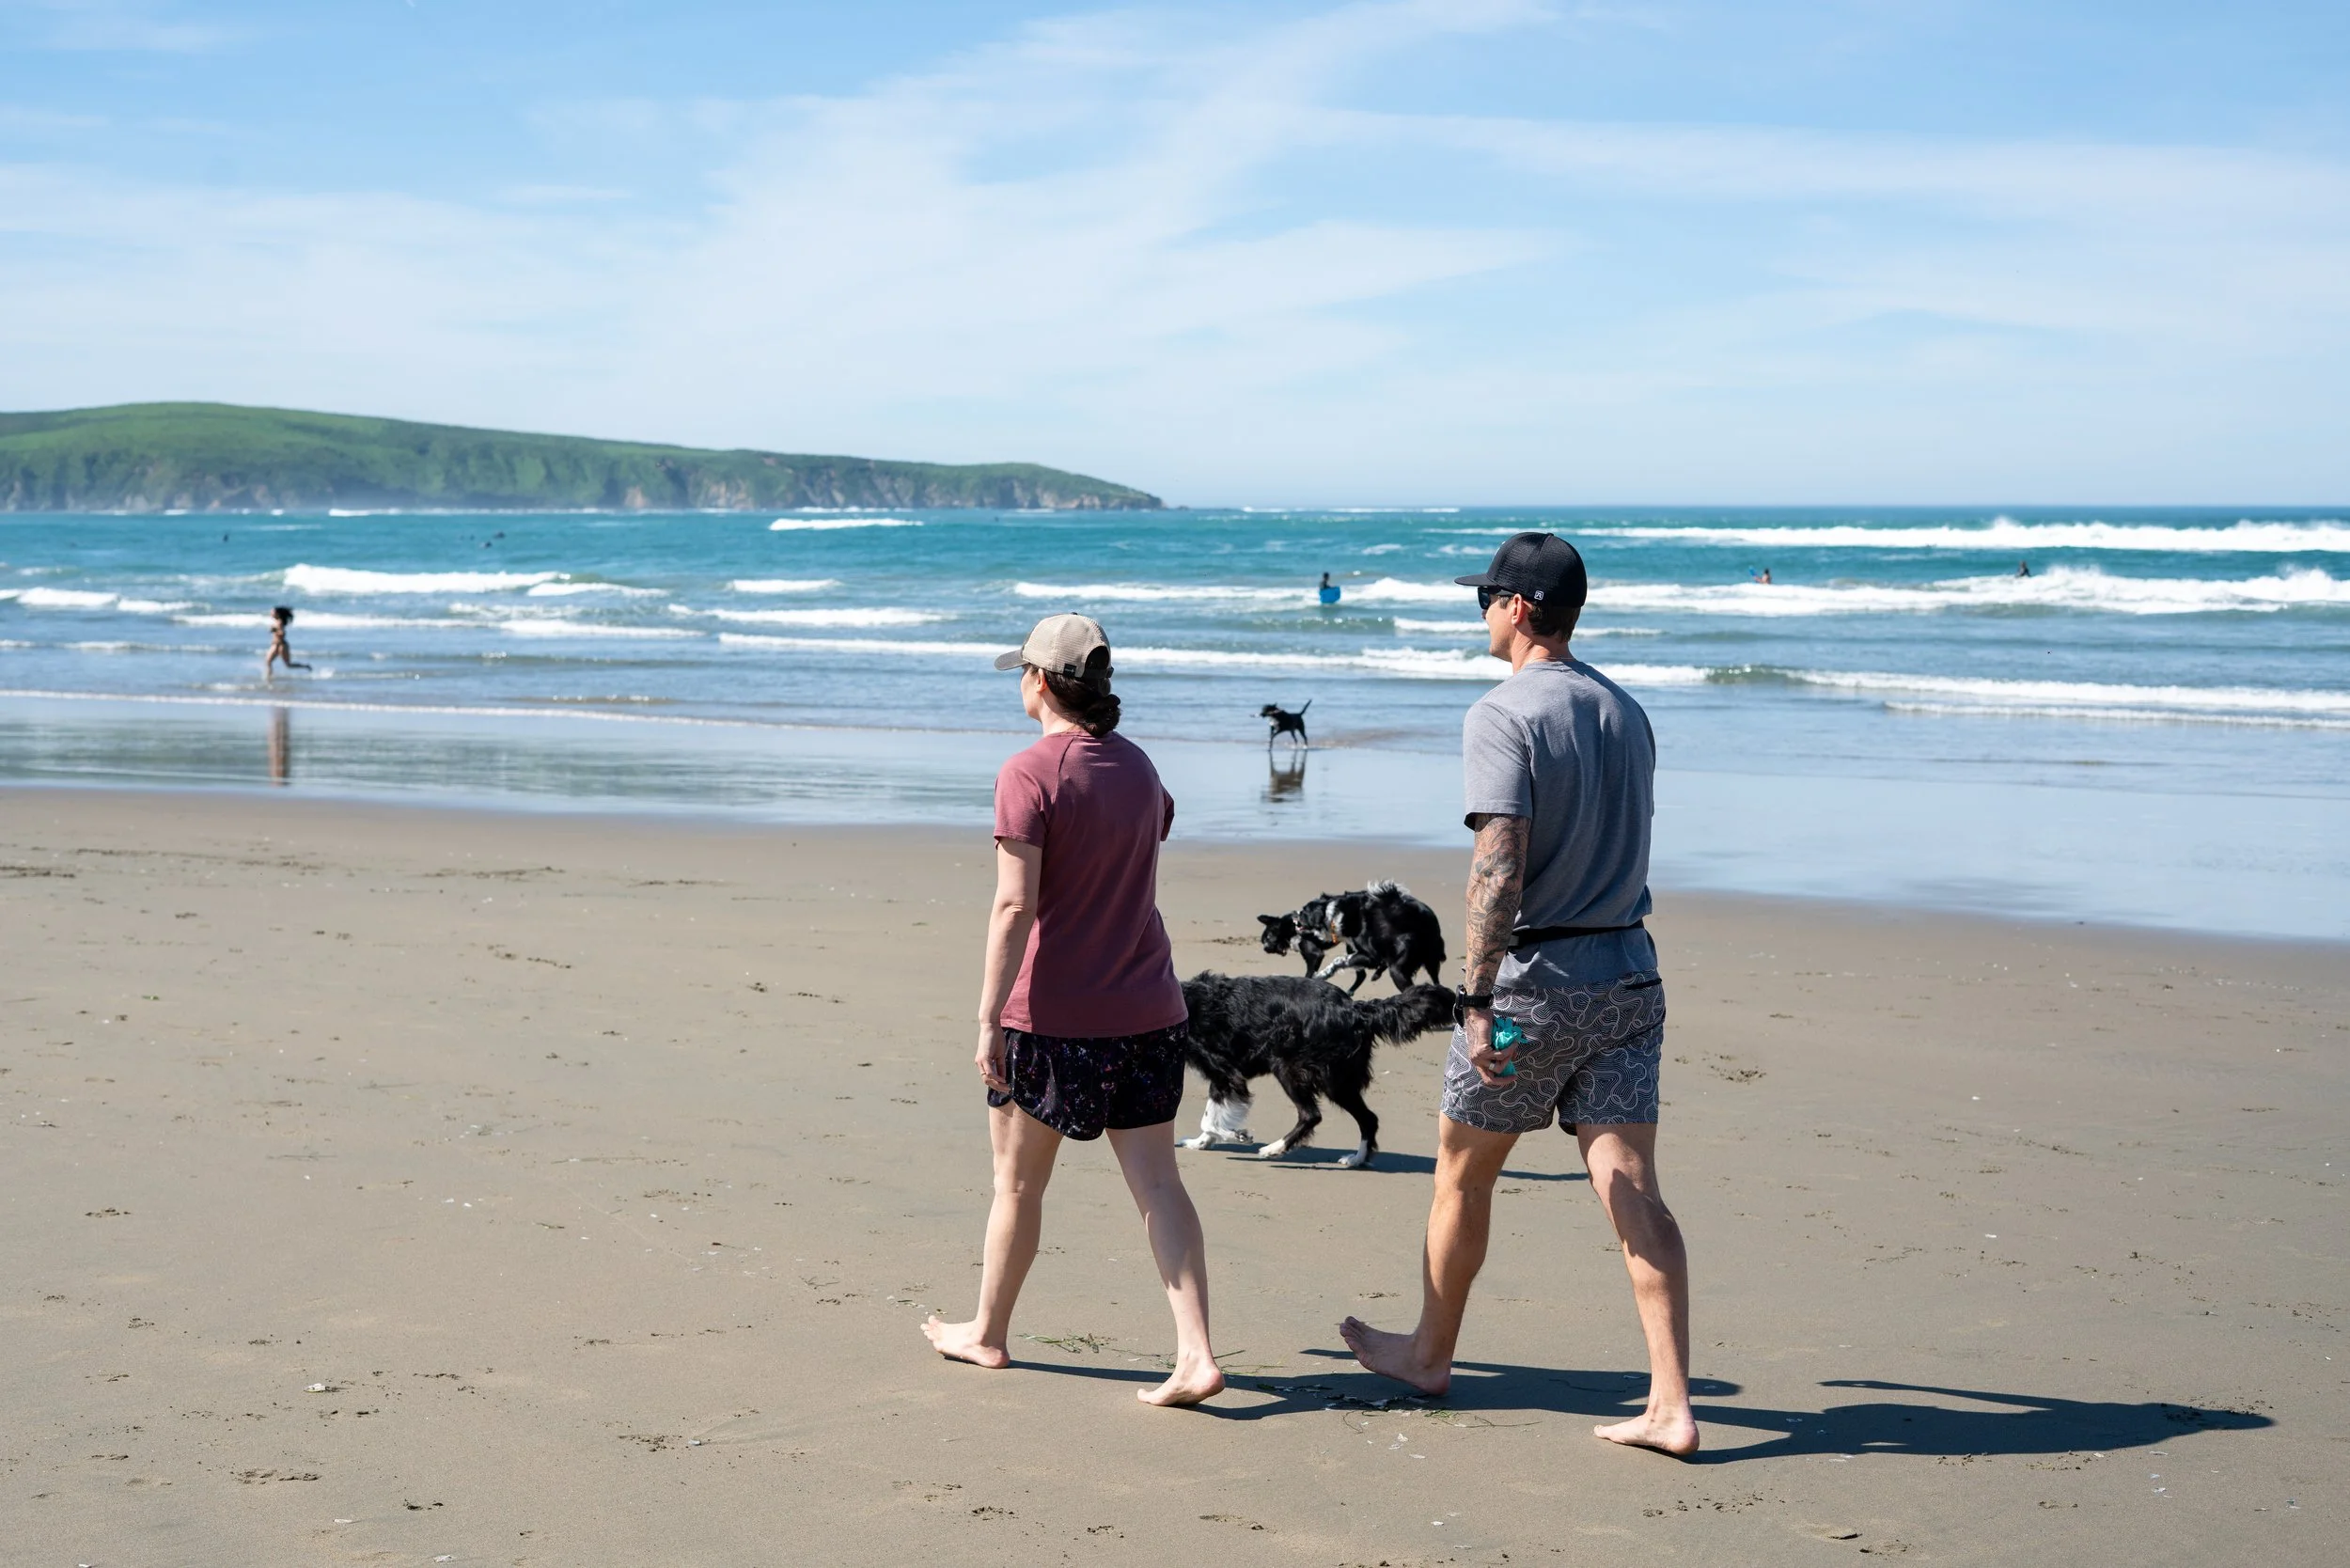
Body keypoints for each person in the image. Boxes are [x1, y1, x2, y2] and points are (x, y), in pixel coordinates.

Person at [1340, 530, 1697, 1457]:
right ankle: (1670, 1402)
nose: (1482, 614)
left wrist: (1475, 993)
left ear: (1520, 610)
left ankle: (1428, 1354)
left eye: (1486, 598)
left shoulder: (1503, 713)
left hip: (1536, 983)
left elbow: (1496, 866)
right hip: (1627, 975)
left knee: (1462, 1173)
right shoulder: (1627, 711)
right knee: (1631, 1188)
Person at [922, 613, 1224, 1407]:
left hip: (1052, 1018)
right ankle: (1195, 1352)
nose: (1018, 683)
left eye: (1022, 671)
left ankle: (987, 1334)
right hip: (1150, 1009)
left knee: (1017, 1186)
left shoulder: (1029, 772)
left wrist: (988, 1019)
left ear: (1042, 682)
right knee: (1160, 1184)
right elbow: (1156, 823)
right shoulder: (1138, 765)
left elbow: (1013, 905)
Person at [263, 606, 312, 676]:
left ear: (277, 613)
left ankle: (306, 666)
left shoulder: (280, 622)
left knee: (288, 665)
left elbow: (282, 633)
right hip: (275, 644)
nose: (271, 613)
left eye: (273, 612)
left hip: (282, 645)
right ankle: (269, 676)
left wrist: (275, 630)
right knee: (268, 661)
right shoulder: (276, 622)